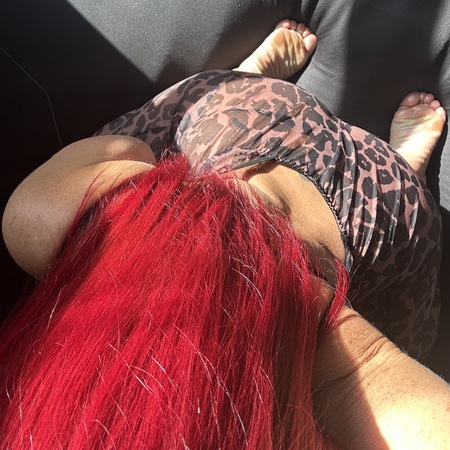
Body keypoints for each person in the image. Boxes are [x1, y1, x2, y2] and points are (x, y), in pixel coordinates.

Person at [1, 21, 449, 449]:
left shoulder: (44, 220)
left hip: (229, 153)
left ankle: (256, 80)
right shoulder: (39, 218)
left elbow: (131, 150)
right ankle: (400, 163)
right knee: (404, 215)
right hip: (301, 182)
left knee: (201, 112)